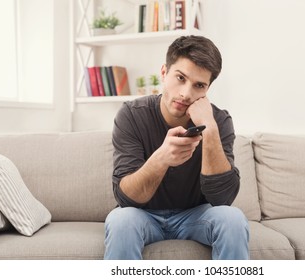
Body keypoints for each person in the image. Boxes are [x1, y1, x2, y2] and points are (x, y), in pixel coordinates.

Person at [104, 35, 250, 260]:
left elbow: (224, 199)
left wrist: (209, 129)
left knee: (233, 219)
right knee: (120, 220)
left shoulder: (218, 120)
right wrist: (161, 158)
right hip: (144, 216)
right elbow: (126, 199)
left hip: (196, 216)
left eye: (199, 85)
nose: (186, 94)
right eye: (180, 78)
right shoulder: (131, 115)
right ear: (164, 72)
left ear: (207, 89)